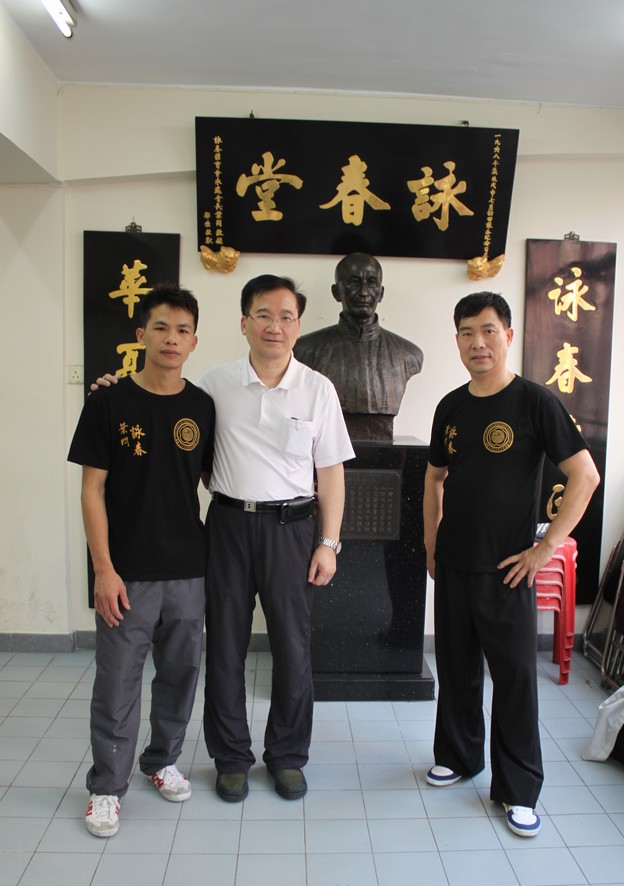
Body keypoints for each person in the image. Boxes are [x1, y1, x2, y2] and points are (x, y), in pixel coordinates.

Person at [423, 291, 599, 837]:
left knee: (516, 679)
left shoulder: (535, 402)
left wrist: (545, 549)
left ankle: (518, 789)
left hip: (509, 568)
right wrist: (431, 542)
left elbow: (585, 476)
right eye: (467, 333)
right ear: (456, 341)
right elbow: (434, 477)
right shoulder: (450, 406)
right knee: (455, 667)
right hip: (454, 563)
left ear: (508, 336)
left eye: (488, 331)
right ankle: (458, 755)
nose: (478, 342)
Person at [198, 274, 355, 803]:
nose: (275, 326)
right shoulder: (214, 384)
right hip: (228, 526)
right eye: (263, 315)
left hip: (292, 530)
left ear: (298, 326)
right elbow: (188, 446)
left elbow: (330, 472)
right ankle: (230, 757)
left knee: (292, 646)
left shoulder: (317, 388)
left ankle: (287, 756)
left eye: (286, 316)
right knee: (225, 645)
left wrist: (328, 543)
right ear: (244, 323)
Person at [68, 284, 215, 838]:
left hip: (188, 569)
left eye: (182, 330)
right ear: (141, 335)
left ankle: (162, 760)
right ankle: (106, 788)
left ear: (194, 341)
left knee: (180, 675)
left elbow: (213, 478)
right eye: (161, 328)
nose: (171, 339)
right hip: (126, 572)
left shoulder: (202, 407)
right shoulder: (108, 402)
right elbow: (92, 490)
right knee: (117, 685)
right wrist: (103, 569)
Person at [295, 253, 423, 440]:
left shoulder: (408, 354)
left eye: (371, 283)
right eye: (354, 282)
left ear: (381, 293)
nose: (364, 292)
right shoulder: (305, 350)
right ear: (336, 292)